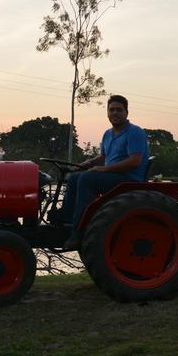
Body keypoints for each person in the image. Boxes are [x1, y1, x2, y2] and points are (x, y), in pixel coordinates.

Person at [60, 95, 150, 246]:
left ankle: (79, 231)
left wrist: (103, 169)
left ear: (126, 112)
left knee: (87, 179)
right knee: (75, 177)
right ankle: (65, 220)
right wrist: (84, 165)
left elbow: (135, 160)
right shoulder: (108, 134)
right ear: (107, 113)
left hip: (128, 178)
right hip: (112, 176)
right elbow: (103, 157)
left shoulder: (135, 132)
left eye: (119, 110)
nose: (115, 113)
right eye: (111, 110)